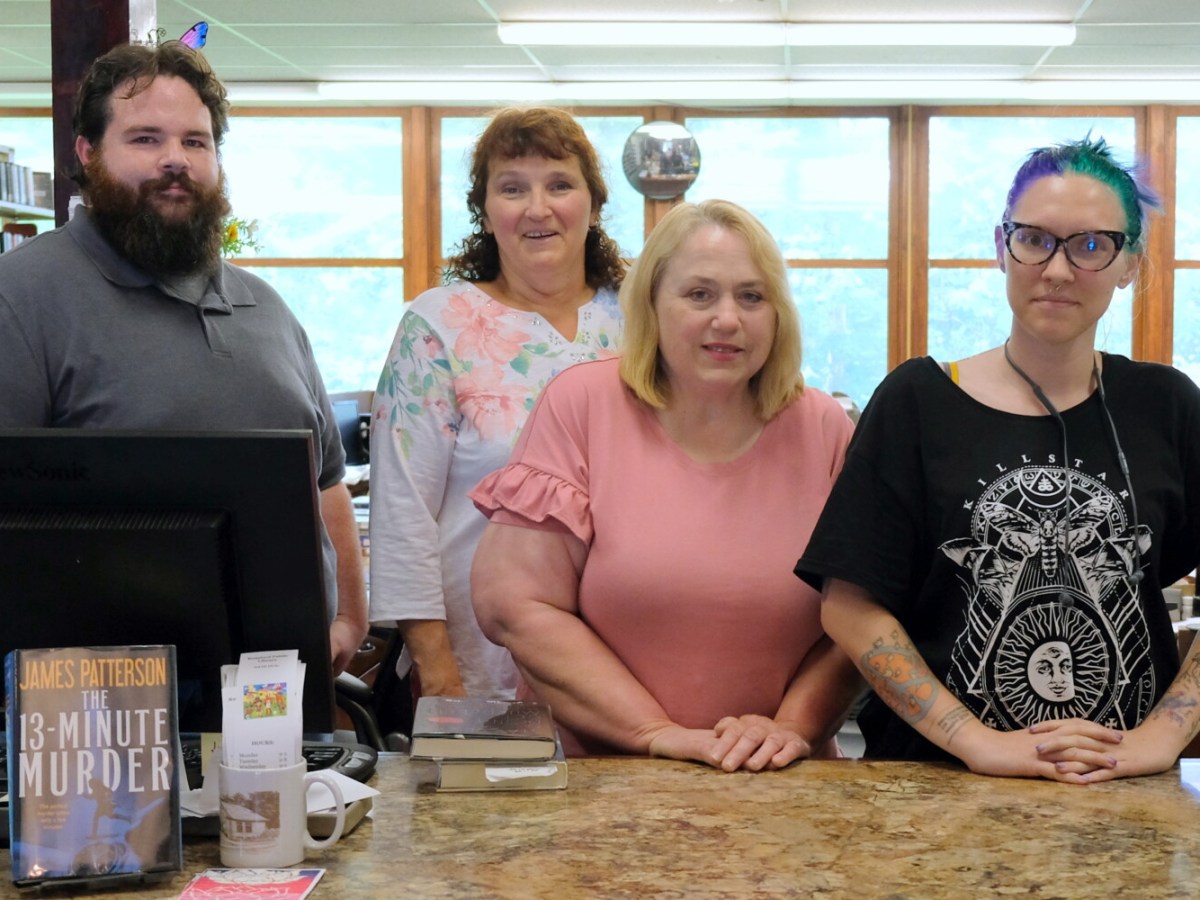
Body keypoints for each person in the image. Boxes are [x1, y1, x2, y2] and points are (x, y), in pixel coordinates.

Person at [795, 136, 1200, 783]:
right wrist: (974, 741)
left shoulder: (1166, 405)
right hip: (938, 786)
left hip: (1120, 790)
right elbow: (849, 606)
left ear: (1129, 263)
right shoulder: (917, 400)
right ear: (1000, 246)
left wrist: (1162, 735)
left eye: (1091, 245)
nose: (1058, 270)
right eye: (1034, 239)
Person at [0, 41, 367, 674]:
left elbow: (324, 481)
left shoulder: (266, 307)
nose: (176, 159)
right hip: (103, 697)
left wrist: (349, 621)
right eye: (145, 139)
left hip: (281, 688)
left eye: (196, 142)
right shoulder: (23, 296)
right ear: (87, 153)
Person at [469, 199, 861, 771]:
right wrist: (656, 733)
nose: (727, 319)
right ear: (650, 304)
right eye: (699, 294)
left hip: (777, 778)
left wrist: (790, 728)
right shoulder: (582, 405)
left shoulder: (824, 427)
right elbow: (517, 606)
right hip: (600, 779)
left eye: (752, 297)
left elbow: (861, 619)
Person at [369, 107, 625, 701]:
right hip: (479, 665)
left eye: (559, 185)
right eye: (512, 189)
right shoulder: (438, 324)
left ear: (594, 204)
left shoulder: (644, 316)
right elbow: (403, 511)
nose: (538, 208)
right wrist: (439, 671)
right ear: (485, 212)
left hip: (629, 661)